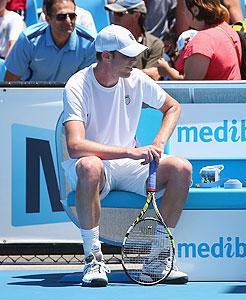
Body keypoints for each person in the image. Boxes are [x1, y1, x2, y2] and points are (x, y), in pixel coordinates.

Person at [62, 24, 192, 287]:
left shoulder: (136, 78)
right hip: (97, 168)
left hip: (131, 167)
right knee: (88, 166)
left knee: (182, 169)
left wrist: (158, 142)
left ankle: (157, 258)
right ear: (106, 56)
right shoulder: (77, 85)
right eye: (127, 55)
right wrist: (129, 152)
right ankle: (93, 259)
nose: (134, 60)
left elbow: (172, 107)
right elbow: (75, 145)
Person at [4, 0, 96, 82]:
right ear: (48, 19)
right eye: (61, 17)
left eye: (72, 16)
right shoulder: (28, 40)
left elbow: (88, 84)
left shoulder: (90, 43)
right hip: (31, 97)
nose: (68, 21)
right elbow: (10, 81)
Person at [173, 0, 241, 80]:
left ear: (195, 11)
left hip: (215, 92)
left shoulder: (202, 41)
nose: (184, 13)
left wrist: (167, 70)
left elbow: (190, 86)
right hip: (231, 91)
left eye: (185, 9)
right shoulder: (226, 28)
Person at [105, 0, 164, 80]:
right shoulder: (107, 41)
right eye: (113, 13)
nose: (115, 17)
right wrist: (142, 73)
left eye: (119, 14)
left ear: (136, 15)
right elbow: (103, 73)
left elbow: (152, 77)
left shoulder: (154, 44)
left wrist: (117, 72)